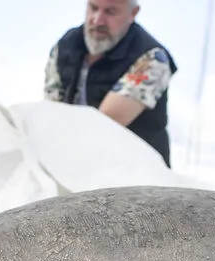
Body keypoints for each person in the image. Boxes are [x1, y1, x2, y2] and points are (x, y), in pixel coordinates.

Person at [44, 0, 178, 166]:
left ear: (133, 13)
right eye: (93, 8)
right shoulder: (65, 46)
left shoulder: (153, 58)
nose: (97, 20)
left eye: (110, 12)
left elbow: (105, 125)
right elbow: (51, 113)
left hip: (137, 176)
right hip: (74, 165)